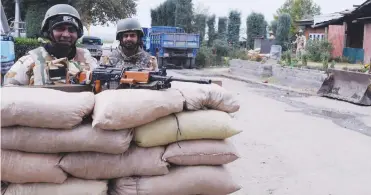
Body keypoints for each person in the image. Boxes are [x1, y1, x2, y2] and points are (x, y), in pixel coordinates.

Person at [3, 4, 98, 86]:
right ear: (48, 32)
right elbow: (10, 94)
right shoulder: (31, 61)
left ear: (78, 34)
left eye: (72, 30)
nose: (66, 34)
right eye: (60, 28)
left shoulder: (88, 60)